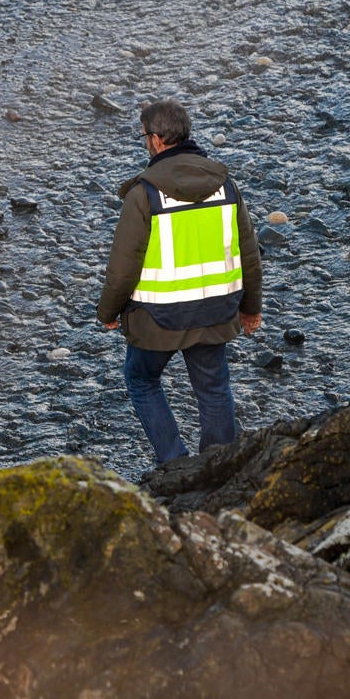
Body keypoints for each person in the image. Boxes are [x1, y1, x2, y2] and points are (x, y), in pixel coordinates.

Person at [99, 99, 262, 466]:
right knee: (214, 390)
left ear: (157, 140)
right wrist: (251, 310)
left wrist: (108, 312)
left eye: (144, 136)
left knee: (141, 380)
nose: (145, 143)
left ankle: (174, 463)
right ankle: (218, 467)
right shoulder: (226, 186)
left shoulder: (144, 194)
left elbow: (123, 267)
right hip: (215, 311)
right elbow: (249, 253)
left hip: (158, 318)